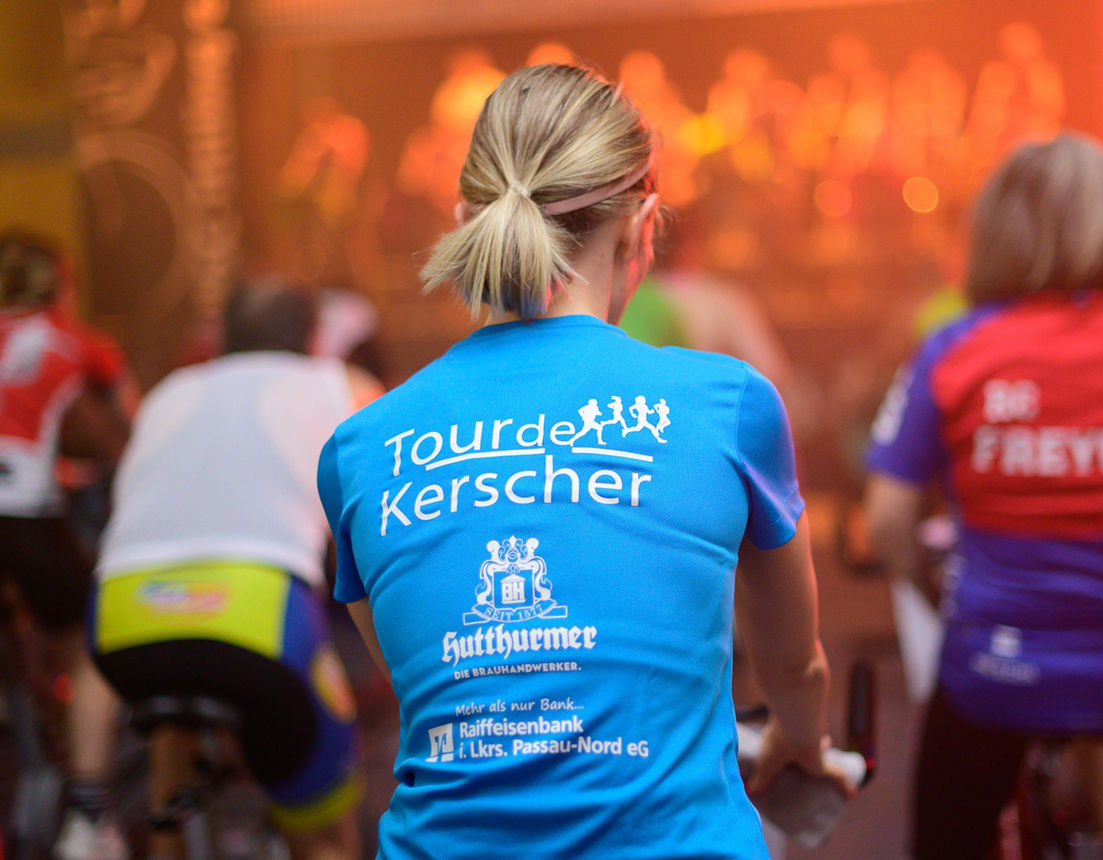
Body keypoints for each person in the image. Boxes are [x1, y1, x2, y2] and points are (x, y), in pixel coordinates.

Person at [317, 63, 850, 859]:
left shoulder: (357, 451)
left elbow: (439, 690)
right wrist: (797, 742)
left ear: (466, 216)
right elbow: (793, 664)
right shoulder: (727, 406)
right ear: (644, 224)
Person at [863, 133, 1103, 860]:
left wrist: (937, 590)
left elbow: (886, 523)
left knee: (948, 829)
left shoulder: (955, 349)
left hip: (997, 666)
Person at [63, 280, 381, 860]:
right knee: (327, 838)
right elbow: (385, 522)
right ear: (314, 337)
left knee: (174, 731)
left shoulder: (170, 390)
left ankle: (100, 820)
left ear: (223, 340)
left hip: (123, 617)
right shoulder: (342, 384)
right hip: (258, 617)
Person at [0, 229, 133, 857]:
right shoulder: (77, 342)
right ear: (60, 284)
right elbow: (127, 439)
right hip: (21, 510)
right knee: (90, 649)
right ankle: (89, 817)